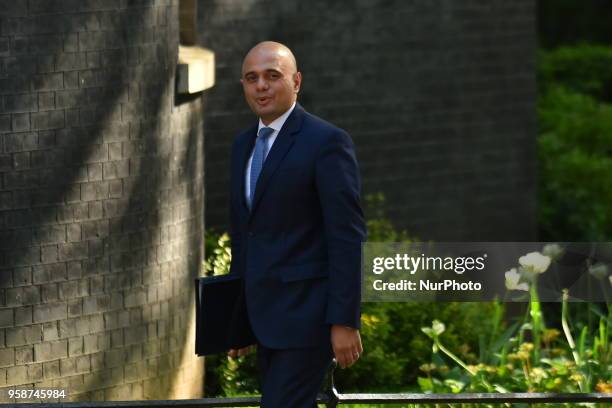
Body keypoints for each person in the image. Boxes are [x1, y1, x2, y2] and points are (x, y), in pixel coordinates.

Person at [226, 41, 367, 408]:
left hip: (307, 320)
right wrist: (236, 318)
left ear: (297, 81)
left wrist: (345, 321)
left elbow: (347, 238)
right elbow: (245, 238)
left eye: (273, 76)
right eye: (252, 78)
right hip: (262, 319)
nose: (261, 86)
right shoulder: (242, 146)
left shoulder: (327, 142)